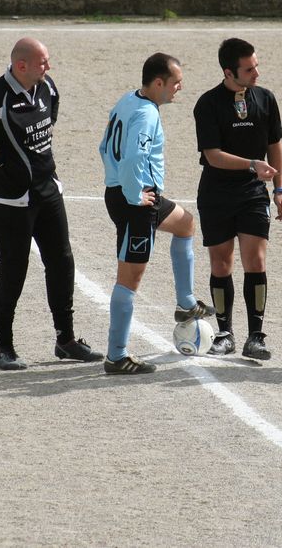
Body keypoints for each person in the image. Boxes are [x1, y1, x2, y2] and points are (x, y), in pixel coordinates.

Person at [0, 37, 102, 370]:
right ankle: (3, 346)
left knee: (62, 261)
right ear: (21, 66)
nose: (49, 67)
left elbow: (49, 121)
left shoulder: (47, 87)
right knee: (13, 268)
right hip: (11, 199)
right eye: (43, 62)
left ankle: (66, 340)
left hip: (48, 189)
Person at [99, 53, 214, 375]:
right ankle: (116, 356)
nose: (180, 87)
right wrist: (133, 194)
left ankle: (186, 303)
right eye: (176, 82)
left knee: (185, 224)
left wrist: (119, 183)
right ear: (159, 82)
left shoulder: (128, 100)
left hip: (135, 194)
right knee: (130, 279)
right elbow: (134, 157)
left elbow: (104, 146)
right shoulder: (147, 114)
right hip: (136, 202)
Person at [193, 38, 282, 360]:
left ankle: (255, 337)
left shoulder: (265, 98)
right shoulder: (208, 104)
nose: (256, 73)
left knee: (256, 261)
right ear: (228, 72)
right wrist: (251, 164)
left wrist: (279, 190)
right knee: (221, 264)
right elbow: (213, 155)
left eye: (256, 66)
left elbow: (274, 145)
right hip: (216, 194)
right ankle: (225, 334)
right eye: (249, 70)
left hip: (252, 194)